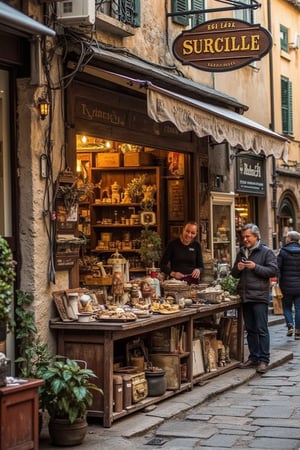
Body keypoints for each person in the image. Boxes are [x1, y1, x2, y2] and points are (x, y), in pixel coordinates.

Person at [231, 223, 277, 374]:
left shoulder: (266, 252)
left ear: (256, 237)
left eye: (247, 236)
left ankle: (264, 360)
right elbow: (234, 274)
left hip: (259, 296)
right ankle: (253, 357)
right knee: (250, 329)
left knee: (261, 329)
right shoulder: (241, 252)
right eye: (243, 236)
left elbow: (272, 270)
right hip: (245, 296)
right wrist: (237, 268)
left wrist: (254, 267)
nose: (245, 239)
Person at [159, 221, 204, 285]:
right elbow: (162, 265)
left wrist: (198, 270)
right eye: (187, 231)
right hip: (175, 282)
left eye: (192, 233)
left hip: (192, 282)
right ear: (183, 230)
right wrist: (173, 273)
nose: (189, 235)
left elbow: (201, 266)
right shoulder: (172, 244)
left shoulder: (196, 245)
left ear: (196, 234)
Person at [277, 230, 300, 339]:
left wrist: (278, 282)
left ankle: (290, 325)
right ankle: (298, 331)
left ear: (289, 239)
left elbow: (278, 268)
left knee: (286, 307)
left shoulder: (283, 252)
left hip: (286, 285)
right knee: (299, 308)